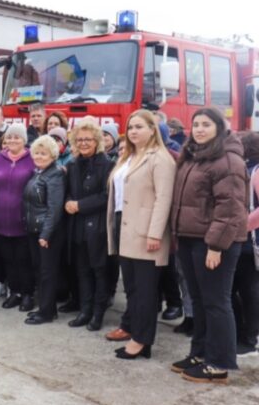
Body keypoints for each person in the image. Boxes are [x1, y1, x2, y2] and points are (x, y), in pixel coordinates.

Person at [170, 108, 247, 383]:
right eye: (196, 124)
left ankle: (219, 363)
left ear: (219, 128)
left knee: (217, 302)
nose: (200, 129)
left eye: (206, 124)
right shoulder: (192, 156)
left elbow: (231, 208)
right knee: (200, 301)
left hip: (214, 242)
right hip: (190, 238)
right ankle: (200, 353)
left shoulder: (227, 160)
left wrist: (216, 245)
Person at [106, 109, 176, 359]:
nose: (134, 131)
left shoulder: (160, 158)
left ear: (152, 129)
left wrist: (155, 233)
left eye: (139, 127)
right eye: (131, 127)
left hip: (146, 232)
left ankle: (142, 341)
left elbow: (163, 198)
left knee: (146, 291)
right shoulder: (128, 156)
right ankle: (135, 331)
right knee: (133, 289)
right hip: (124, 228)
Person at [64, 119, 113, 331]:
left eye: (88, 139)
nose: (83, 143)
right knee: (82, 270)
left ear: (97, 141)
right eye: (80, 139)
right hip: (77, 226)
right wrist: (67, 202)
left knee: (99, 271)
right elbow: (66, 190)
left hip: (98, 226)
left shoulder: (108, 164)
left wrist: (80, 205)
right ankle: (85, 310)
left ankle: (98, 313)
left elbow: (107, 195)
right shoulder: (72, 164)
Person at [21, 135, 66, 325]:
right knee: (39, 270)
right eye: (36, 153)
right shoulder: (38, 172)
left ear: (53, 155)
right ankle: (46, 308)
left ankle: (47, 312)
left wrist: (45, 234)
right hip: (34, 229)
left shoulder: (55, 174)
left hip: (47, 232)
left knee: (47, 273)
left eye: (43, 153)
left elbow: (54, 208)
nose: (39, 156)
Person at [0, 124, 35, 305]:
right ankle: (14, 292)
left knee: (24, 260)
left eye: (17, 137)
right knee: (8, 259)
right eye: (10, 137)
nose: (13, 140)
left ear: (24, 140)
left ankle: (27, 294)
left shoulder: (33, 158)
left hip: (23, 219)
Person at [240, 131, 259, 356]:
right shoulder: (246, 169)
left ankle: (250, 336)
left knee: (249, 290)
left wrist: (242, 226)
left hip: (249, 240)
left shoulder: (255, 171)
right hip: (242, 239)